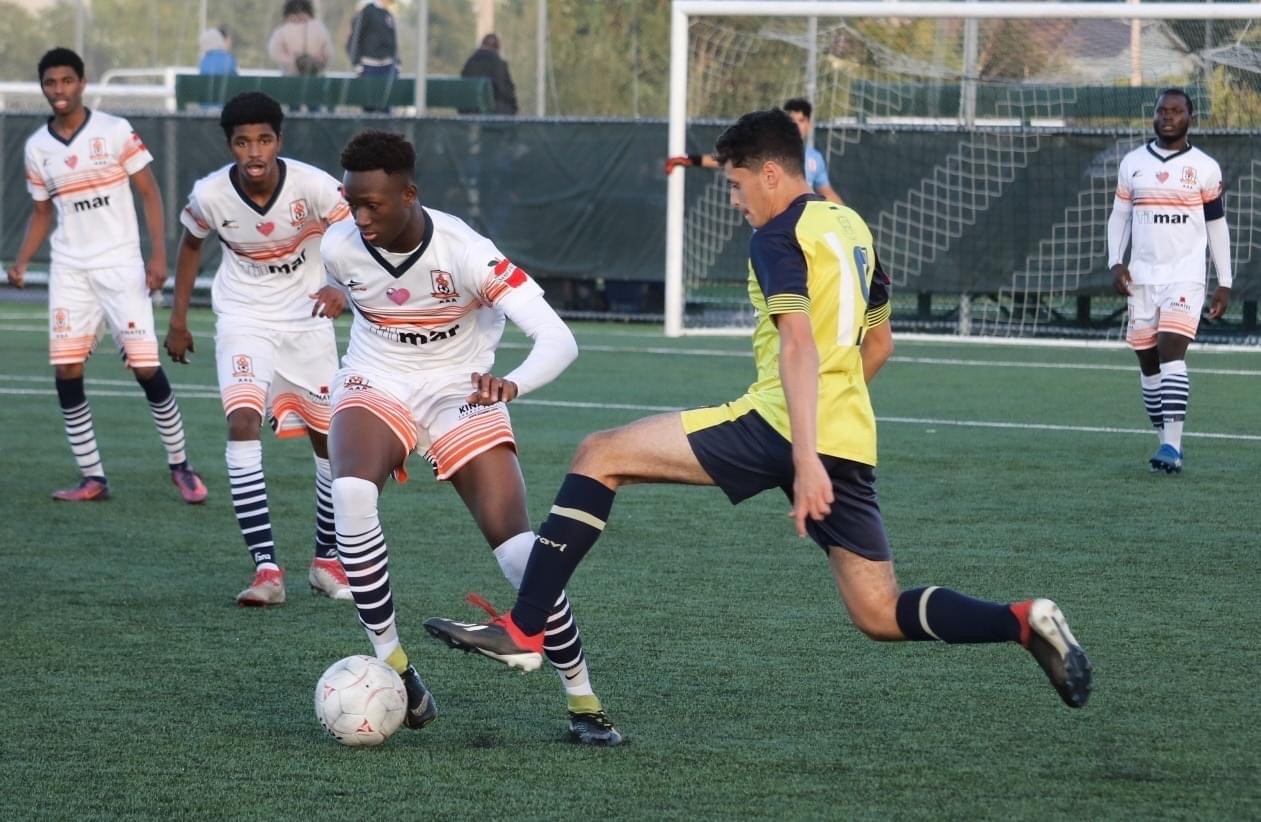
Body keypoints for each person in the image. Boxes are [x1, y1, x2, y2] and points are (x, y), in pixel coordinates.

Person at [423, 109, 1093, 724]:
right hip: (848, 441)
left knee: (599, 453)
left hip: (780, 426)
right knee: (878, 612)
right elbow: (879, 342)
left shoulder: (778, 237)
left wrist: (800, 455)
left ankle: (524, 629)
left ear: (770, 174)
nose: (737, 201)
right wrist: (822, 431)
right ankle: (1019, 621)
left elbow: (798, 344)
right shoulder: (852, 227)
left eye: (739, 186)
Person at [319, 129, 622, 744]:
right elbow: (367, 296)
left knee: (518, 554)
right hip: (376, 382)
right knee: (349, 492)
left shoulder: (466, 251)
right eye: (352, 202)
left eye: (373, 203)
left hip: (464, 390)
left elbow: (559, 338)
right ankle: (398, 670)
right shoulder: (339, 246)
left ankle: (584, 702)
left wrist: (510, 384)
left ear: (410, 194)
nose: (360, 216)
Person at [164, 91, 353, 606]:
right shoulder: (209, 196)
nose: (254, 152)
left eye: (264, 140)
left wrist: (342, 285)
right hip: (244, 319)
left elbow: (356, 231)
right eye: (242, 141)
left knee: (329, 442)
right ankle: (267, 570)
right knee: (242, 421)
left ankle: (326, 561)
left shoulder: (314, 186)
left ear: (279, 142)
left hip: (309, 321)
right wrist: (178, 319)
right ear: (230, 145)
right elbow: (190, 244)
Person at [6, 47, 208, 505]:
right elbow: (41, 212)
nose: (59, 90)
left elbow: (151, 192)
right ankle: (92, 476)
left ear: (82, 82)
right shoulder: (38, 147)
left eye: (66, 81)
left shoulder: (115, 131)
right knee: (67, 368)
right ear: (43, 88)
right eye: (50, 83)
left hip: (120, 265)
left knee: (144, 367)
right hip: (70, 269)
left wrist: (157, 255)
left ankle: (181, 465)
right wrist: (21, 261)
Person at [1107, 88, 1232, 475]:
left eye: (1177, 111)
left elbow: (1216, 225)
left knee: (1170, 349)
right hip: (1142, 277)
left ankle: (1172, 449)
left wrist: (1224, 281)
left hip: (1185, 277)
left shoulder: (1206, 167)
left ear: (1189, 117)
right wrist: (1115, 261)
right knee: (1148, 363)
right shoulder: (1132, 163)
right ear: (1155, 115)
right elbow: (1119, 216)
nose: (1168, 116)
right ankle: (1164, 443)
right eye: (1162, 110)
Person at [665, 97, 844, 205]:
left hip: (803, 226)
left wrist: (850, 217)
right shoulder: (770, 149)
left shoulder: (816, 159)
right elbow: (729, 160)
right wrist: (691, 159)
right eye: (792, 119)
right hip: (774, 227)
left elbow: (827, 191)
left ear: (809, 124)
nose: (797, 124)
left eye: (801, 120)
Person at [267, 0, 333, 77]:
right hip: (316, 74)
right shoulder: (319, 28)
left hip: (291, 75)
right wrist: (320, 60)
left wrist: (290, 61)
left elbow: (274, 51)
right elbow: (328, 52)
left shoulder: (283, 30)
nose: (298, 17)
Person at [460, 33, 518, 115]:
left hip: (469, 111)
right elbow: (507, 91)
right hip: (495, 113)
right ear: (497, 48)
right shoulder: (499, 64)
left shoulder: (470, 63)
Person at [347, 0, 399, 78]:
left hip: (388, 67)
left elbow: (393, 41)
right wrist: (357, 63)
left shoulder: (388, 14)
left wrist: (398, 63)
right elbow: (354, 39)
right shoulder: (367, 11)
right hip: (369, 67)